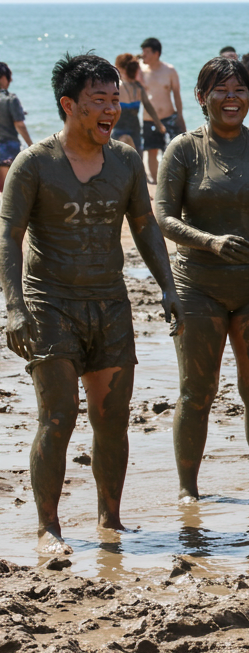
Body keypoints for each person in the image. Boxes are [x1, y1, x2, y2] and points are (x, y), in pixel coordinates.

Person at [0, 54, 183, 554]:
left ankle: (111, 521)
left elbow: (145, 225)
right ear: (68, 105)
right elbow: (9, 237)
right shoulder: (34, 164)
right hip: (49, 304)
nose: (111, 109)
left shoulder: (124, 160)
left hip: (109, 304)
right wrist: (14, 307)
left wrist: (168, 286)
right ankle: (48, 528)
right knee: (57, 417)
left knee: (112, 419)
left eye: (115, 99)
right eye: (98, 101)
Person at [156, 56, 249, 501]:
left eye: (239, 90)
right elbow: (162, 216)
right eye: (221, 90)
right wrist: (209, 241)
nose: (232, 98)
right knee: (197, 390)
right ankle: (187, 488)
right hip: (197, 286)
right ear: (202, 98)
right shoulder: (184, 148)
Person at [139, 37, 185, 184]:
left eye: (146, 52)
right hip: (148, 119)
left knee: (173, 152)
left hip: (168, 117)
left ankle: (173, 182)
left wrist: (180, 116)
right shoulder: (140, 72)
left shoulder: (169, 70)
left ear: (156, 53)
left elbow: (176, 94)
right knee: (151, 151)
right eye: (142, 51)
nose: (143, 55)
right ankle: (157, 184)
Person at [110, 54, 162, 152]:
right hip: (134, 130)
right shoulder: (138, 87)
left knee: (118, 162)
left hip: (119, 129)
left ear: (119, 68)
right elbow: (148, 105)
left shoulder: (116, 87)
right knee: (136, 161)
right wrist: (158, 123)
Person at [0, 62, 35, 190]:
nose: (11, 80)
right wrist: (31, 146)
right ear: (3, 78)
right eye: (9, 77)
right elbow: (19, 125)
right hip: (7, 152)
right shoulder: (10, 99)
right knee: (8, 193)